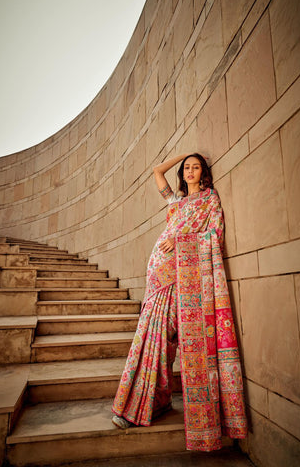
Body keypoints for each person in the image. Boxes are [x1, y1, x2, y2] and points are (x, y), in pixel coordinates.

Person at [112, 153, 247, 451]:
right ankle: (141, 402)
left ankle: (156, 399)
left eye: (195, 167)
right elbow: (156, 170)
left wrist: (184, 240)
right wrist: (182, 155)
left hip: (186, 271)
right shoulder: (176, 202)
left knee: (168, 336)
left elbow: (216, 234)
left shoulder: (209, 201)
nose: (189, 171)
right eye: (187, 168)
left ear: (204, 173)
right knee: (154, 334)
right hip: (160, 269)